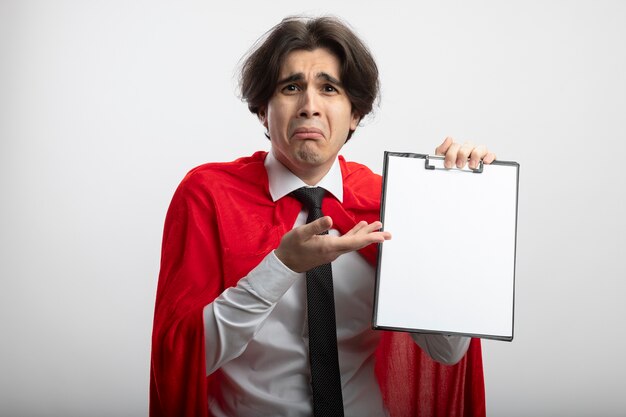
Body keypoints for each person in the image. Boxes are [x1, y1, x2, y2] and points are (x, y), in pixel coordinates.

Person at [150, 15, 495, 417]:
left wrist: (452, 212)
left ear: (355, 115)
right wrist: (281, 267)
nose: (309, 107)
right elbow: (184, 360)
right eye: (291, 87)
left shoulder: (390, 202)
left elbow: (448, 351)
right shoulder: (208, 196)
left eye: (328, 88)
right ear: (263, 109)